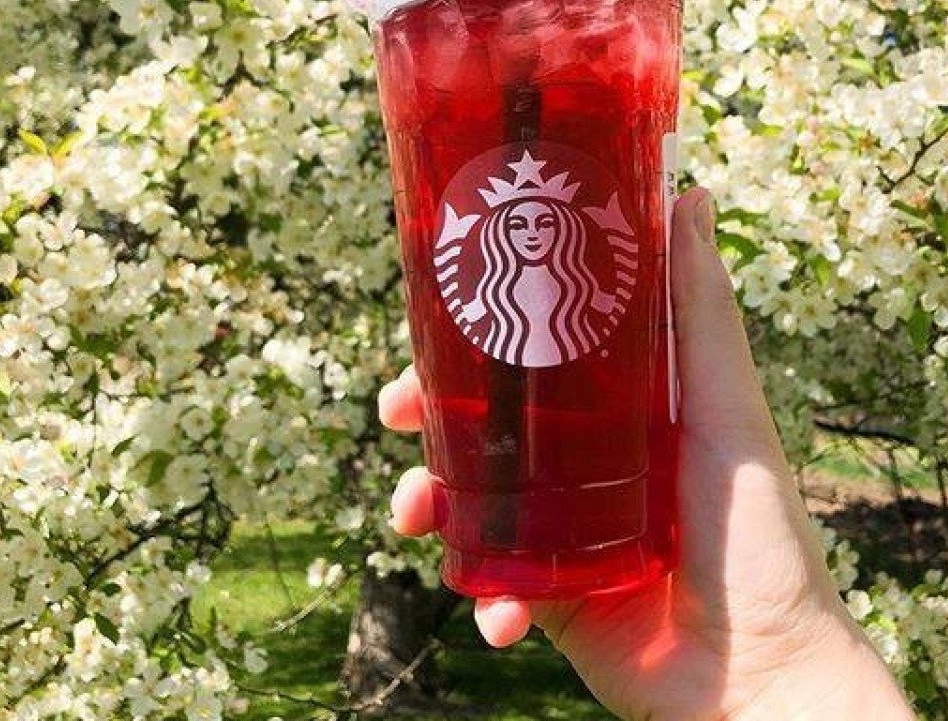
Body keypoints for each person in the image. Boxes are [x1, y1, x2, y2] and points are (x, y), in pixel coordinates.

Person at [379, 188, 916, 720]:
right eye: (518, 227)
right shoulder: (489, 296)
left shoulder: (580, 290)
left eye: (546, 225)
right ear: (496, 237)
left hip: (654, 550)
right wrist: (776, 684)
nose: (533, 237)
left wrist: (781, 666)